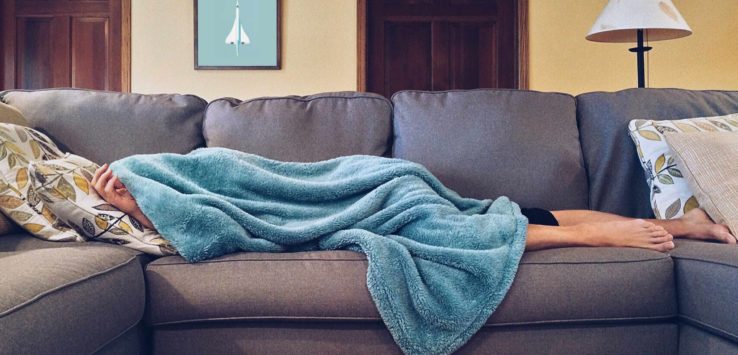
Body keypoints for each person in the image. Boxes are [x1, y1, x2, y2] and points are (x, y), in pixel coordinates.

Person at [90, 162, 737, 253]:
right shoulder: (172, 184)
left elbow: (228, 208)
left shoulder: (186, 170)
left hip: (387, 186)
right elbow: (229, 218)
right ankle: (683, 223)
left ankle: (608, 237)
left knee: (465, 228)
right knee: (509, 211)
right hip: (393, 184)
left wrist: (145, 202)